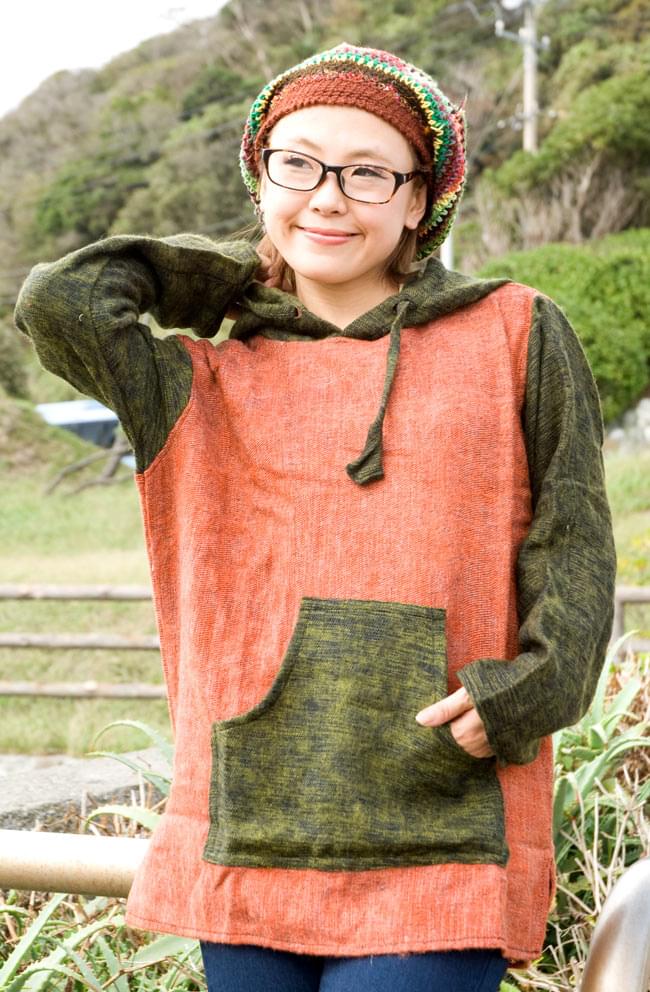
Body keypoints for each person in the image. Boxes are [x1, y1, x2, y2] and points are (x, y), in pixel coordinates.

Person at [14, 42, 617, 992]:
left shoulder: (514, 331)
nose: (329, 197)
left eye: (367, 173)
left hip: (442, 817)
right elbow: (60, 304)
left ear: (419, 201)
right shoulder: (197, 379)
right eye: (297, 165)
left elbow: (575, 541)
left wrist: (529, 694)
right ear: (259, 179)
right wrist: (245, 270)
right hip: (251, 817)